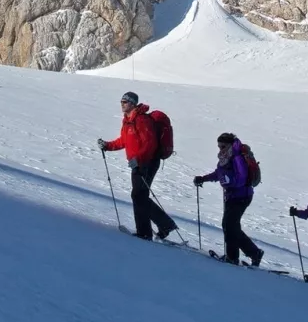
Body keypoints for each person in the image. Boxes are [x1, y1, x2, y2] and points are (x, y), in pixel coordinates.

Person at [97, 91, 177, 241]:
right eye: (121, 101)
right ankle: (160, 226)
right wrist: (107, 146)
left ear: (133, 103)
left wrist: (138, 159)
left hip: (147, 162)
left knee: (138, 195)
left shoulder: (141, 120)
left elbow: (150, 143)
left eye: (125, 102)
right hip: (138, 162)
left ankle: (147, 231)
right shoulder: (128, 120)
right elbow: (124, 141)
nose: (122, 104)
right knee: (140, 195)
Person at [193, 133, 263, 267]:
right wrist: (204, 178)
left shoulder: (236, 157)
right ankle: (254, 253)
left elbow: (241, 178)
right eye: (218, 146)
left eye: (222, 146)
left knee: (229, 225)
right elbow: (219, 173)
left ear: (229, 145)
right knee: (231, 226)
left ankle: (233, 257)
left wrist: (227, 182)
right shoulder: (227, 156)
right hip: (233, 196)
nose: (220, 149)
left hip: (241, 196)